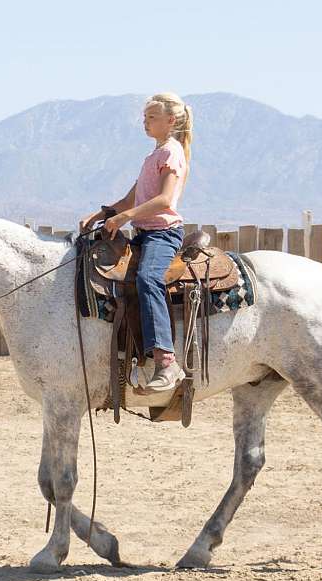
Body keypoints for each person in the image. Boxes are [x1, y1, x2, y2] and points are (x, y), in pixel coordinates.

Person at [80, 92, 193, 393]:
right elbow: (132, 198)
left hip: (163, 234)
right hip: (144, 232)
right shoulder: (153, 156)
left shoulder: (171, 153)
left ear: (170, 121)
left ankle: (167, 363)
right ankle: (133, 357)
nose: (145, 121)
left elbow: (164, 200)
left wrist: (124, 217)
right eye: (145, 117)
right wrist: (104, 214)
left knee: (148, 279)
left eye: (152, 117)